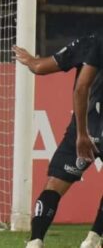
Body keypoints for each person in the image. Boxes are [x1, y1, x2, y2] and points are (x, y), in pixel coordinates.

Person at [13, 39, 103, 248]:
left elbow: (42, 68)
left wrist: (30, 61)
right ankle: (93, 238)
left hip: (84, 127)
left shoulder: (91, 41)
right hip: (86, 129)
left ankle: (35, 241)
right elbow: (81, 87)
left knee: (55, 184)